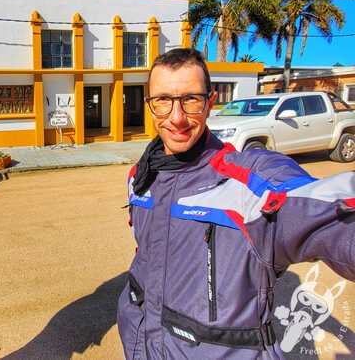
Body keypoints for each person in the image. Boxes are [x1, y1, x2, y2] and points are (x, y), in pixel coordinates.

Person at [117, 48, 355, 358]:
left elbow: (322, 211)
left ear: (211, 102)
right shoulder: (141, 177)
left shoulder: (252, 183)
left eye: (191, 99)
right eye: (162, 100)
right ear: (149, 104)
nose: (176, 118)